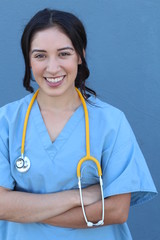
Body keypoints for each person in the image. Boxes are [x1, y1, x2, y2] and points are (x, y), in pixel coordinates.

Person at [0, 8, 157, 240]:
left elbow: (116, 211)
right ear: (28, 60)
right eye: (40, 55)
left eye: (64, 54)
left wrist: (24, 210)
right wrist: (78, 197)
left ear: (80, 55)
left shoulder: (111, 122)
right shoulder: (6, 121)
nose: (52, 68)